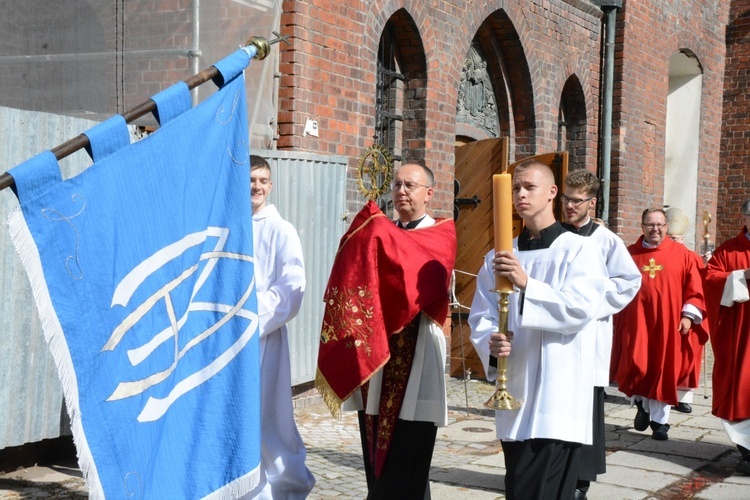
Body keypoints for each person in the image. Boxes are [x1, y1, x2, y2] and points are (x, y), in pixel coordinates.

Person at [468, 160, 609, 500]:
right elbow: (481, 314)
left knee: (543, 490)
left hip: (558, 393)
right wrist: (491, 341)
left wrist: (527, 284)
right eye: (515, 188)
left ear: (552, 193)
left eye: (529, 187)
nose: (520, 194)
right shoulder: (499, 255)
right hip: (514, 388)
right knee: (518, 485)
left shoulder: (579, 250)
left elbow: (580, 308)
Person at [317, 163, 456, 499]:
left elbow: (424, 278)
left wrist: (375, 231)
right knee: (376, 442)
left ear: (429, 194)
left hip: (417, 349)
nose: (402, 191)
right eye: (396, 184)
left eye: (410, 185)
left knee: (410, 446)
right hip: (378, 355)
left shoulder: (442, 232)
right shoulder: (379, 232)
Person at [560, 170, 641, 500]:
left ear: (592, 203)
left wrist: (590, 301)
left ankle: (581, 477)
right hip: (555, 332)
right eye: (564, 198)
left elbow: (628, 282)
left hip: (589, 332)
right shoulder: (551, 236)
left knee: (586, 405)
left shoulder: (607, 241)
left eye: (576, 201)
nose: (568, 206)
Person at [245, 155, 315, 499]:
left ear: (270, 186)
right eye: (250, 180)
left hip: (263, 335)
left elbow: (293, 286)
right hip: (226, 338)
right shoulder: (232, 225)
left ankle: (280, 485)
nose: (256, 187)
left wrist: (248, 316)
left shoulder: (280, 229)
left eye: (262, 180)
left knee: (267, 415)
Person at [610, 207, 708, 441]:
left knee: (663, 370)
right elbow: (614, 285)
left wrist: (687, 315)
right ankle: (642, 405)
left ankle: (660, 422)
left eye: (660, 225)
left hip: (668, 325)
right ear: (642, 226)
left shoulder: (684, 255)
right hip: (636, 323)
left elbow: (696, 289)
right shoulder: (628, 254)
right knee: (637, 366)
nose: (655, 229)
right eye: (650, 224)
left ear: (666, 227)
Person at [704, 199, 750, 475]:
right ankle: (747, 449)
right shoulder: (728, 251)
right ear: (744, 219)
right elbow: (710, 279)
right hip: (740, 334)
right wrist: (741, 276)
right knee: (740, 387)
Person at [665, 206, 709, 414]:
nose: (673, 241)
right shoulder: (659, 254)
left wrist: (688, 314)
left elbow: (697, 288)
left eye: (676, 237)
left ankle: (682, 396)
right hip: (663, 314)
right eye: (670, 237)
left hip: (685, 315)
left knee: (686, 355)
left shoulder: (691, 257)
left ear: (682, 236)